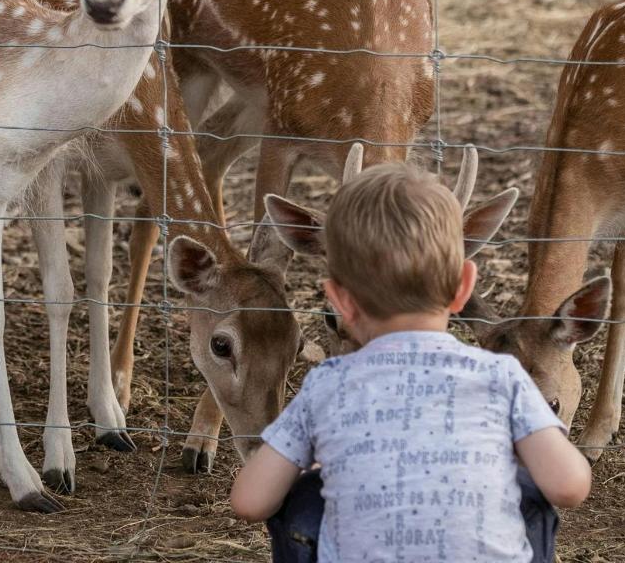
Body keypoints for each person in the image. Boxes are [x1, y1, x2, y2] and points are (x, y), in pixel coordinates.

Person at [230, 164, 591, 563]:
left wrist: (331, 468)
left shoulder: (326, 385)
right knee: (525, 487)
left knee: (303, 495)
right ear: (464, 287)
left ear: (339, 300)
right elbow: (569, 487)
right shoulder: (502, 375)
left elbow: (249, 501)